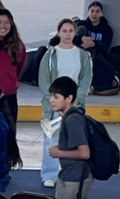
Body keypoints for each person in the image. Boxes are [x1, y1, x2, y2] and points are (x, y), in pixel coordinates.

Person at [39, 19, 92, 188]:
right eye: (64, 30)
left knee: (75, 140)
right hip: (54, 104)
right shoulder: (50, 54)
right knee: (51, 139)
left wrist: (74, 99)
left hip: (75, 105)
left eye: (71, 30)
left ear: (75, 33)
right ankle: (49, 174)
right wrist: (56, 99)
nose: (68, 34)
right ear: (59, 33)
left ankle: (71, 173)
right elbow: (44, 79)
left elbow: (86, 79)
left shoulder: (83, 56)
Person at [47, 77, 92, 199]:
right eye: (51, 96)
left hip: (75, 177)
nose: (51, 100)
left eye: (56, 97)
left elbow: (84, 153)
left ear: (69, 98)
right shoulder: (71, 117)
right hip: (70, 173)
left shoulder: (73, 120)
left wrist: (58, 153)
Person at [77, 2, 120, 96]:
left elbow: (105, 46)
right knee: (81, 29)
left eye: (97, 11)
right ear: (88, 12)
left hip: (96, 56)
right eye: (92, 11)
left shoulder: (107, 29)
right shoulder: (81, 24)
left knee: (95, 55)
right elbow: (69, 38)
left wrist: (93, 44)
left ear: (101, 13)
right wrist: (81, 40)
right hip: (79, 53)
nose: (94, 14)